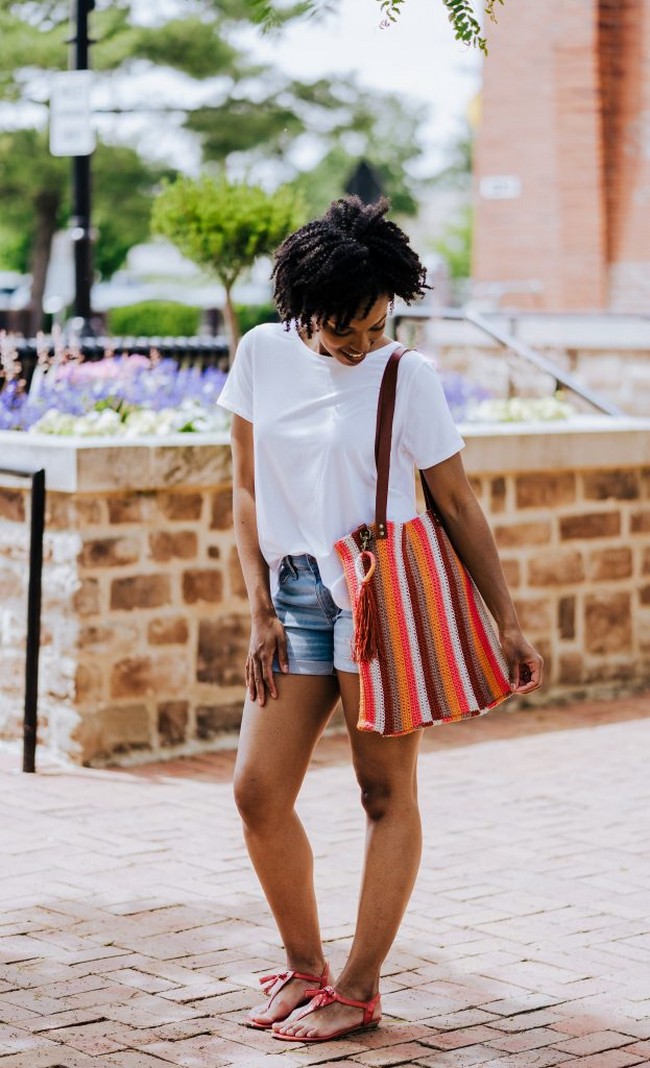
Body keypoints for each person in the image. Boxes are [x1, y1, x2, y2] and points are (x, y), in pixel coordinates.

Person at [217, 196, 543, 1044]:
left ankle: (358, 989)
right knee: (256, 792)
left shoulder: (409, 376)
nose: (360, 344)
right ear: (302, 308)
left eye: (375, 324)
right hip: (292, 598)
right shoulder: (260, 354)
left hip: (382, 602)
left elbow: (459, 503)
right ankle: (304, 966)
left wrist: (505, 618)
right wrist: (257, 606)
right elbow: (247, 488)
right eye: (342, 329)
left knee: (382, 791)